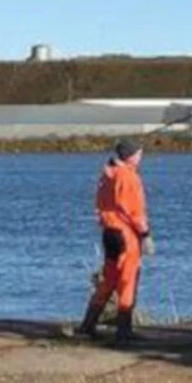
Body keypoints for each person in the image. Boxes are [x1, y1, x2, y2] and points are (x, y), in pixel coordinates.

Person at [80, 140, 153, 345]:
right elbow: (134, 211)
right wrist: (145, 234)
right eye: (139, 154)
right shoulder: (128, 177)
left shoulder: (108, 174)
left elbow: (103, 203)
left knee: (110, 278)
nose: (141, 158)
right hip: (125, 233)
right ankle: (123, 329)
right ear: (131, 156)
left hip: (109, 231)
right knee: (128, 279)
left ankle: (88, 324)